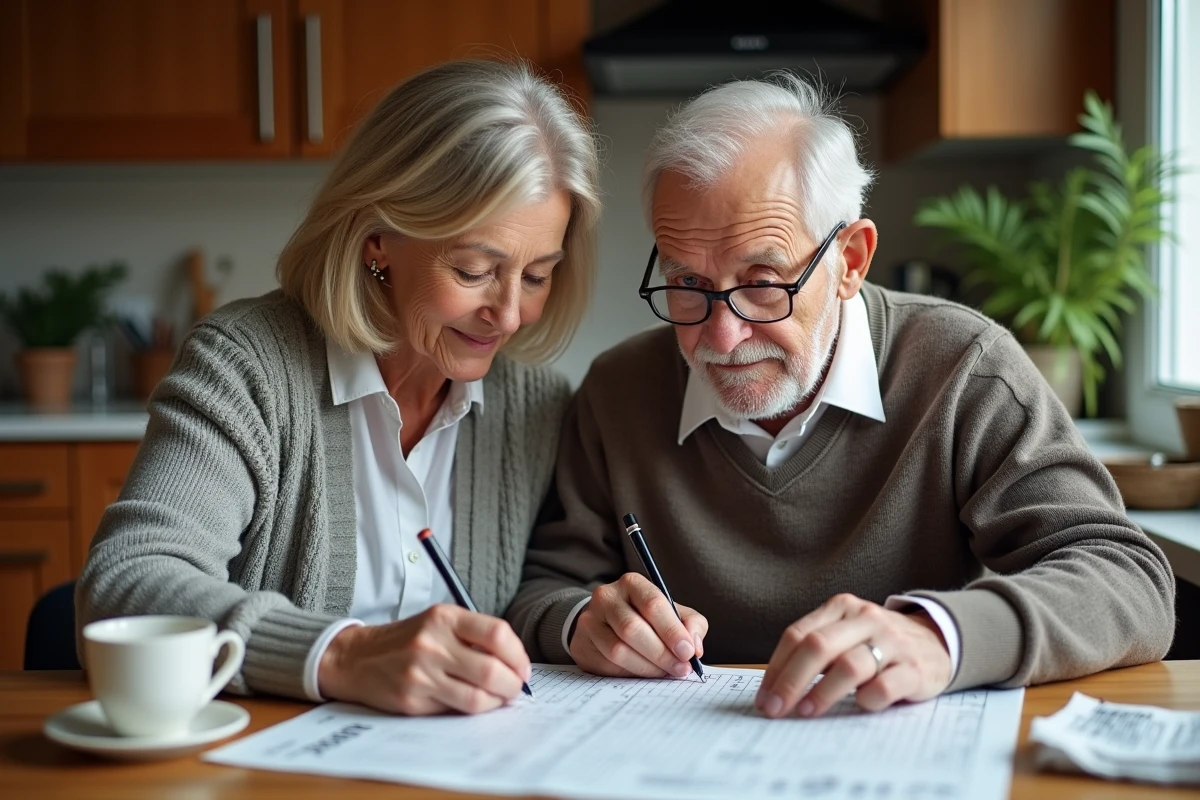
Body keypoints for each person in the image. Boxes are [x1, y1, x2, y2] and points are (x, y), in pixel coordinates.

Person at [507, 74, 1174, 719]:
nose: (723, 333)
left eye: (763, 281)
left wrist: (939, 635)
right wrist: (579, 622)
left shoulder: (964, 369)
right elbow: (544, 588)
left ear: (850, 261)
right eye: (687, 281)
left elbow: (1127, 578)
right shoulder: (618, 391)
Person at [77, 60, 602, 716]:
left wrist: (579, 620)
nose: (511, 314)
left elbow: (526, 594)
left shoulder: (535, 406)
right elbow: (127, 581)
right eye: (474, 270)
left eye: (537, 276)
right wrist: (343, 655)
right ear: (377, 238)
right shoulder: (248, 370)